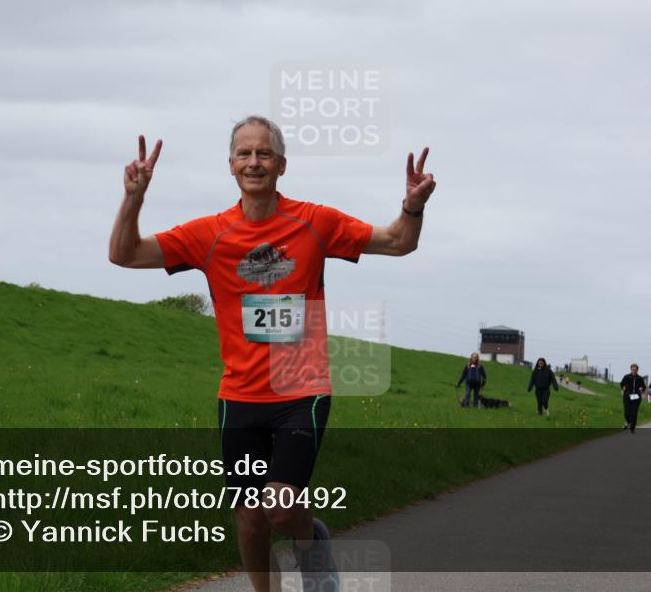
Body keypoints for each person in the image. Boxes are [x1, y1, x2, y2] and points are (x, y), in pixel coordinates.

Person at [108, 118, 436, 592]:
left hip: (301, 390)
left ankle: (310, 538)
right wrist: (134, 197)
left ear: (281, 165)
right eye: (244, 154)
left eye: (264, 154)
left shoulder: (315, 222)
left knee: (280, 506)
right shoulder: (209, 234)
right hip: (239, 396)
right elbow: (125, 254)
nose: (254, 162)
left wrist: (411, 206)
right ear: (231, 166)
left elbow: (399, 241)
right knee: (250, 521)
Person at [620, 363, 647, 433]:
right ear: (631, 370)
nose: (633, 371)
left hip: (636, 397)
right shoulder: (626, 377)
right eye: (632, 369)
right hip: (627, 396)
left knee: (634, 413)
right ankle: (628, 422)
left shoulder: (640, 378)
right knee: (626, 412)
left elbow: (644, 387)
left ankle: (632, 427)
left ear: (637, 370)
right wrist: (623, 387)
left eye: (635, 370)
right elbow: (621, 384)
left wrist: (642, 388)